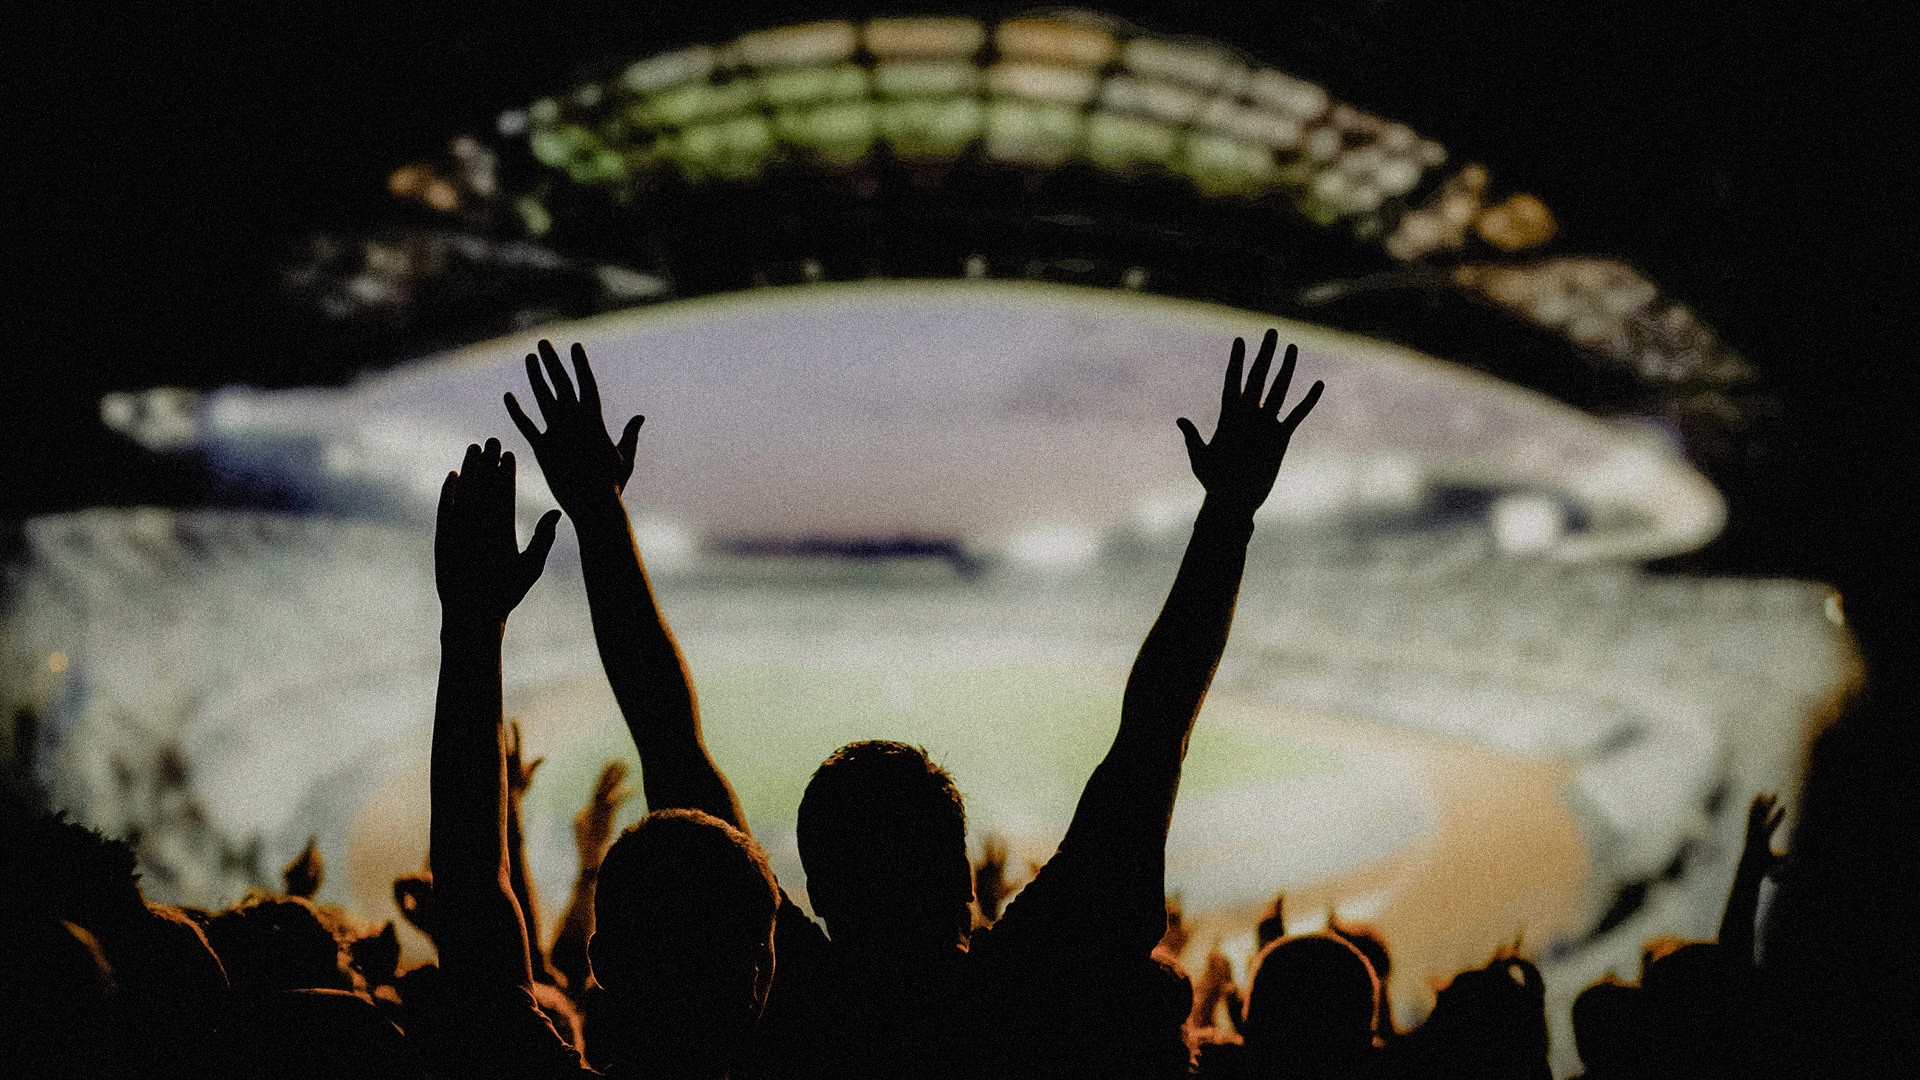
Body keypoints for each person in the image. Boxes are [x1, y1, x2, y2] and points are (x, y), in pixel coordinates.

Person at [507, 332, 1323, 1078]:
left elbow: (668, 741)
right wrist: (1228, 513)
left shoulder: (787, 1005)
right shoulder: (1040, 989)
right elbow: (1155, 735)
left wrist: (598, 511)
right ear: (964, 882)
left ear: (813, 893)